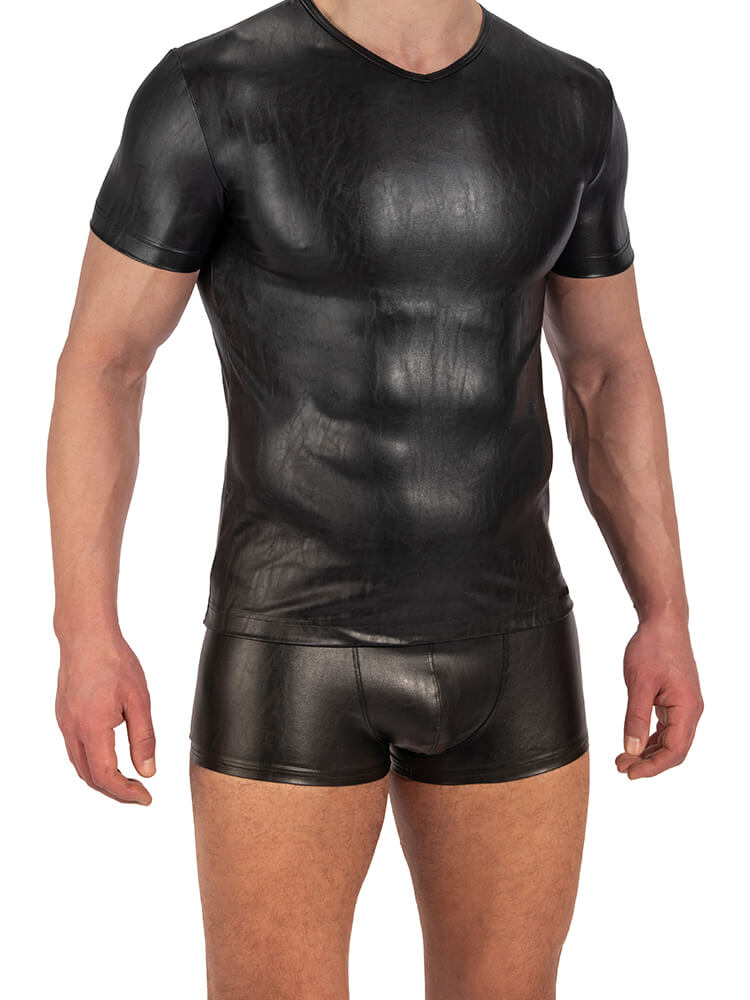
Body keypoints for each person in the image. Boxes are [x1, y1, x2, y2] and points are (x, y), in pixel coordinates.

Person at [47, 1, 704, 997]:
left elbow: (608, 368)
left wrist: (666, 611)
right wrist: (86, 631)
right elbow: (105, 362)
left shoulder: (570, 101)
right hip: (292, 642)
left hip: (514, 641)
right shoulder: (211, 92)